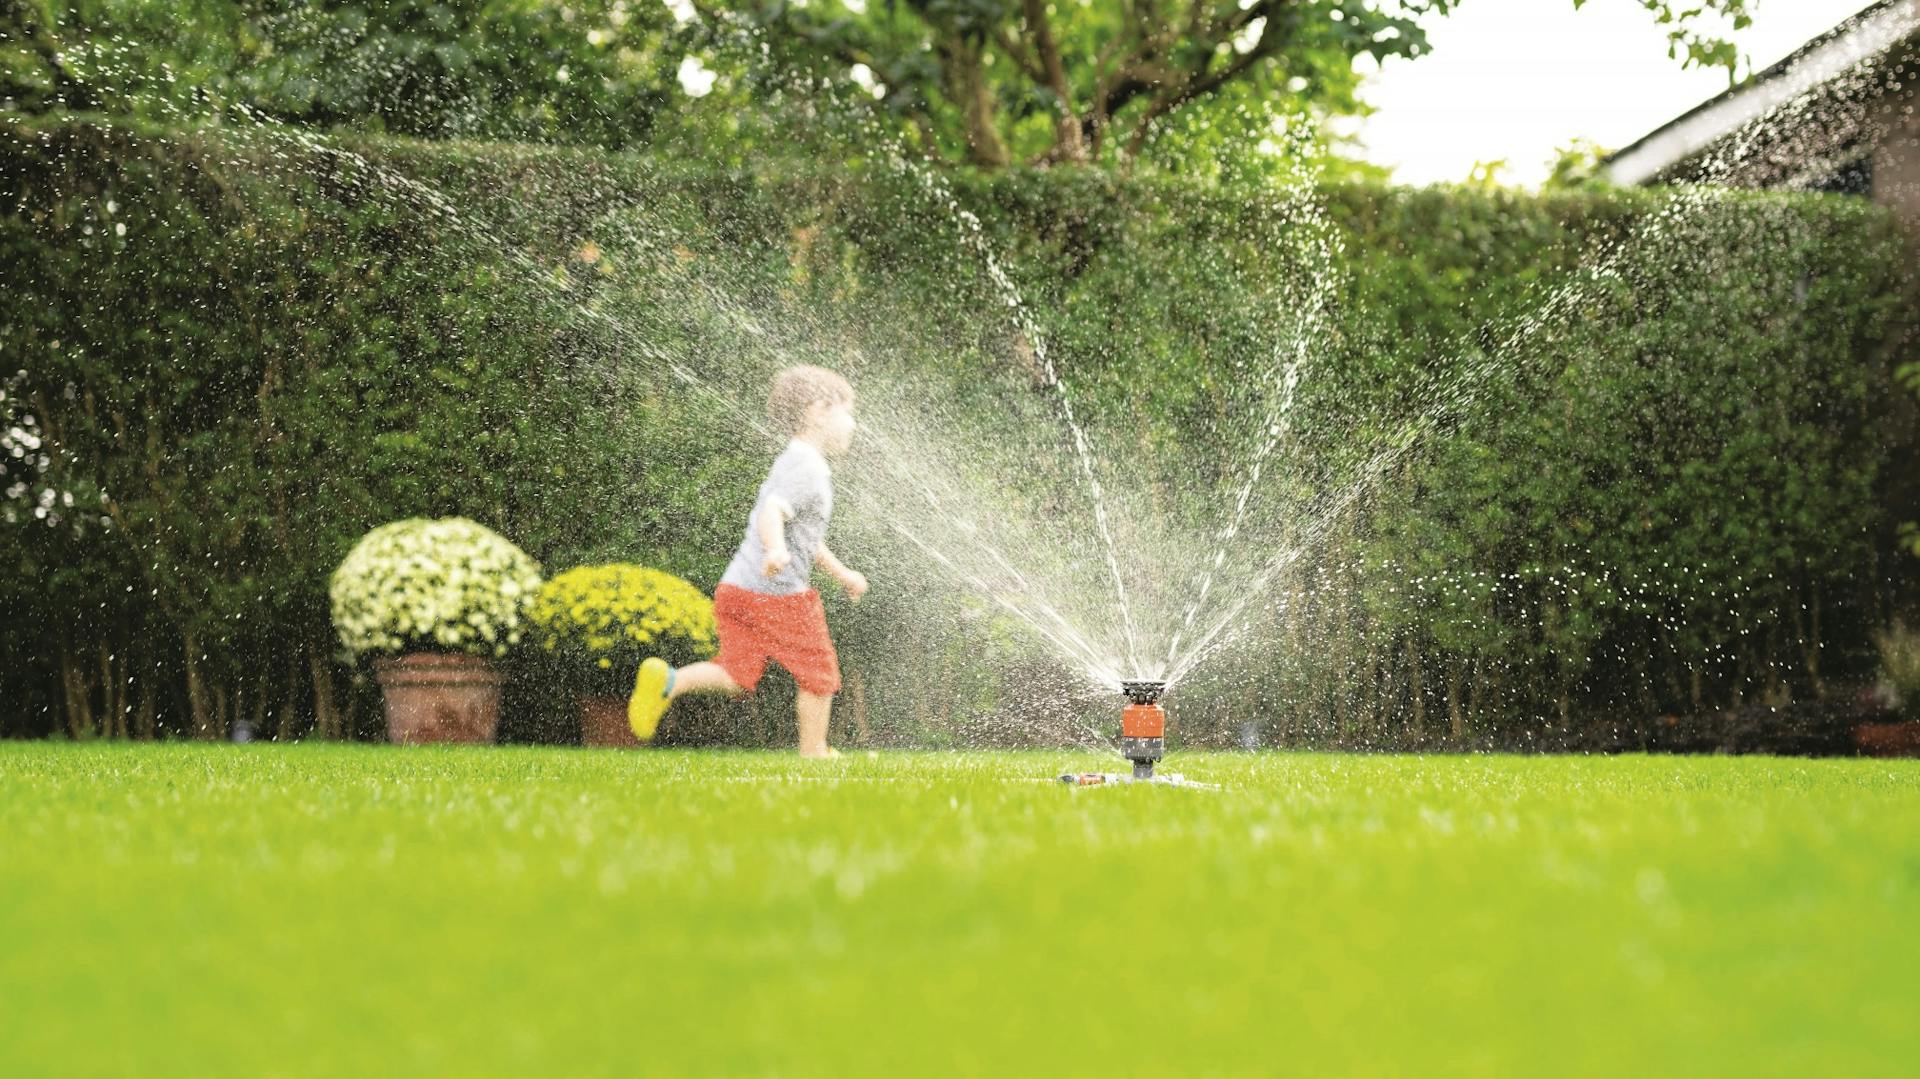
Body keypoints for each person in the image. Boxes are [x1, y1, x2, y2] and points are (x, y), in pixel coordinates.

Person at [627, 365, 868, 757]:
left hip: (737, 589)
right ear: (818, 411)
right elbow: (770, 512)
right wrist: (775, 549)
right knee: (819, 672)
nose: (853, 425)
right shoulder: (808, 466)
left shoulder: (794, 460)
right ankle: (815, 752)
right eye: (846, 413)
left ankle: (670, 681)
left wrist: (842, 574)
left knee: (737, 674)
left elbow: (807, 539)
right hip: (779, 594)